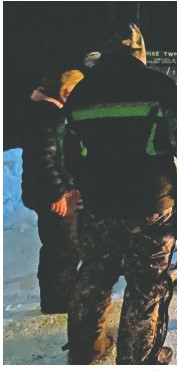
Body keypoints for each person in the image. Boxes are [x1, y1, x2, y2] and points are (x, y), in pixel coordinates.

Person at [56, 24, 177, 365]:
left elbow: (65, 148)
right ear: (139, 50)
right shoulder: (160, 87)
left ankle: (86, 349)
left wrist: (78, 184)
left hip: (98, 207)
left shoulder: (83, 92)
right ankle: (137, 357)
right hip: (152, 207)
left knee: (93, 278)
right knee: (147, 286)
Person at [22, 69, 84, 314]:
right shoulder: (49, 114)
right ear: (67, 91)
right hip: (54, 196)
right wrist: (58, 193)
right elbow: (45, 157)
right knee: (63, 248)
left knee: (59, 246)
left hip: (50, 192)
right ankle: (59, 301)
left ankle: (57, 297)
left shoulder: (47, 112)